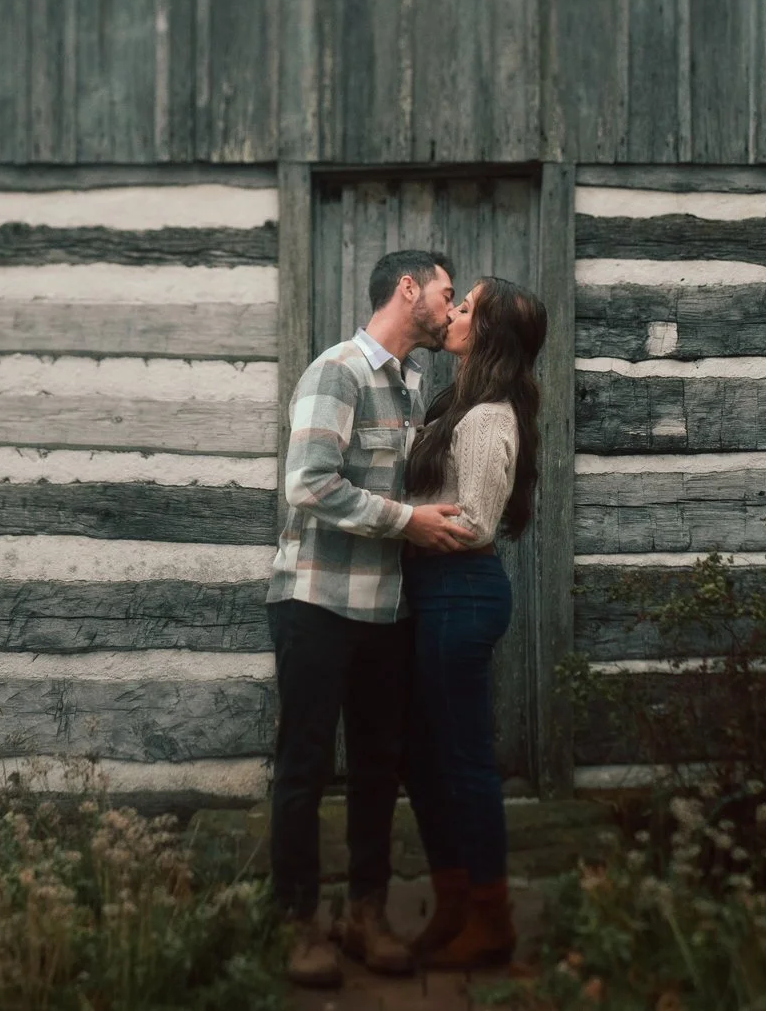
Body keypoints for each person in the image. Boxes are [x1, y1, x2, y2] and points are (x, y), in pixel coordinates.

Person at [268, 248, 482, 989]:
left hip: (386, 609)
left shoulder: (415, 386)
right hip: (317, 602)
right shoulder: (338, 371)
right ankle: (296, 924)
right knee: (302, 767)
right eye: (447, 294)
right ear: (406, 289)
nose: (452, 309)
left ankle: (365, 915)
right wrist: (409, 524)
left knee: (375, 769)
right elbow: (308, 484)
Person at [400, 276, 548, 970]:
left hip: (461, 593)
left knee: (463, 763)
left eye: (465, 307)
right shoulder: (456, 402)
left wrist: (397, 524)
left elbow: (476, 524)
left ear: (484, 333)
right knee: (428, 761)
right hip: (437, 594)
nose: (451, 313)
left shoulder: (489, 416)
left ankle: (491, 918)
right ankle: (455, 904)